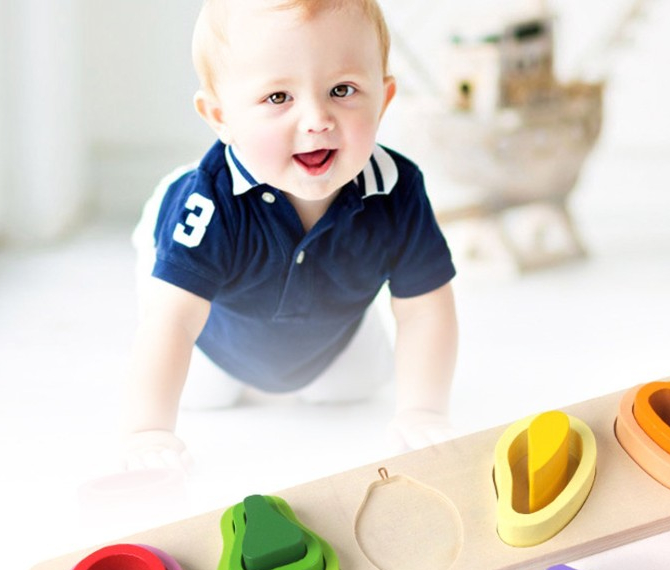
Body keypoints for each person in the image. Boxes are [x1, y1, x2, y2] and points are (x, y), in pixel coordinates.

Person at [121, 0, 458, 470]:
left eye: (342, 89)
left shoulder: (396, 189)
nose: (317, 119)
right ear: (220, 116)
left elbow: (424, 309)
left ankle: (334, 341)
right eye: (279, 97)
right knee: (205, 395)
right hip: (214, 335)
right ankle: (162, 232)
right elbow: (173, 321)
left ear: (383, 99)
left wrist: (423, 410)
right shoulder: (210, 203)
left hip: (329, 325)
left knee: (354, 386)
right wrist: (148, 432)